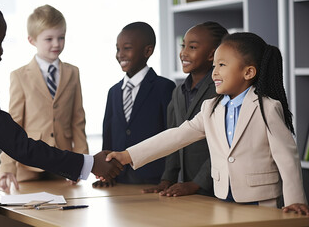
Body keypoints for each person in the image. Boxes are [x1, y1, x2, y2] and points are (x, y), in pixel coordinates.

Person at [0, 0, 122, 227]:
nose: (2, 50)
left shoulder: (72, 72)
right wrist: (89, 164)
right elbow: (18, 144)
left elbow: (77, 121)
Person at [106, 32, 309, 215]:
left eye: (222, 65)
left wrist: (295, 200)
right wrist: (127, 155)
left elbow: (286, 157)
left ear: (248, 72)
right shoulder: (211, 107)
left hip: (261, 199)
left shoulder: (267, 107)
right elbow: (176, 136)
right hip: (222, 197)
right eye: (214, 66)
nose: (214, 73)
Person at [0, 4, 88, 192]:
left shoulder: (73, 73)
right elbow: (13, 125)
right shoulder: (20, 76)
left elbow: (78, 120)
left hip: (63, 164)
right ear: (32, 40)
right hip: (27, 165)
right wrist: (7, 167)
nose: (56, 44)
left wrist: (82, 162)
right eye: (49, 39)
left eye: (61, 37)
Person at [143, 22, 228, 197]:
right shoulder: (178, 92)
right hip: (191, 190)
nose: (183, 52)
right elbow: (174, 138)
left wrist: (196, 183)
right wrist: (167, 180)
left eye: (192, 47)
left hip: (218, 187)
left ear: (212, 54)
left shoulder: (221, 91)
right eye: (183, 45)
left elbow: (222, 146)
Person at [93, 22, 176, 187]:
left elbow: (172, 135)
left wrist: (169, 177)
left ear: (147, 51)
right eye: (118, 49)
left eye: (127, 48)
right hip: (119, 178)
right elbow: (108, 133)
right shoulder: (113, 92)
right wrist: (106, 172)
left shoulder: (164, 88)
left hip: (154, 179)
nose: (120, 54)